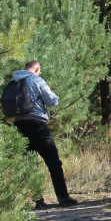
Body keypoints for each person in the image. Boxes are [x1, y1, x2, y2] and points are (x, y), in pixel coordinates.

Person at [11, 61, 77, 208]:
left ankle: (38, 200)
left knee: (28, 164)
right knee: (53, 162)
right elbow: (52, 101)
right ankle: (63, 197)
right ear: (37, 69)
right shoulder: (36, 79)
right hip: (37, 125)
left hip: (18, 126)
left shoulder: (13, 80)